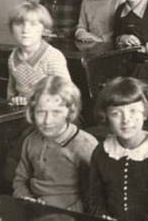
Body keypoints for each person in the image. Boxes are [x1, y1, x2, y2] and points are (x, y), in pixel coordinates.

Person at [87, 77, 148, 221]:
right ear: (106, 116)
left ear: (145, 111)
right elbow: (95, 197)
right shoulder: (102, 152)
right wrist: (104, 220)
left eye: (133, 111)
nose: (126, 120)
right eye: (116, 113)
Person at [13, 76, 97, 212]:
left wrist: (65, 211)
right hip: (33, 208)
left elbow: (93, 194)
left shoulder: (85, 145)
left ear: (70, 112)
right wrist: (25, 198)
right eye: (41, 112)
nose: (47, 121)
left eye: (56, 112)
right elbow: (21, 179)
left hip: (70, 215)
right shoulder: (31, 140)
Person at [6, 2, 71, 106]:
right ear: (12, 29)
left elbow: (67, 95)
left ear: (44, 30)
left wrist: (34, 102)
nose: (25, 30)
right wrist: (14, 100)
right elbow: (11, 92)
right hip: (25, 114)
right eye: (19, 24)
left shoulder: (52, 57)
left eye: (33, 24)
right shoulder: (13, 57)